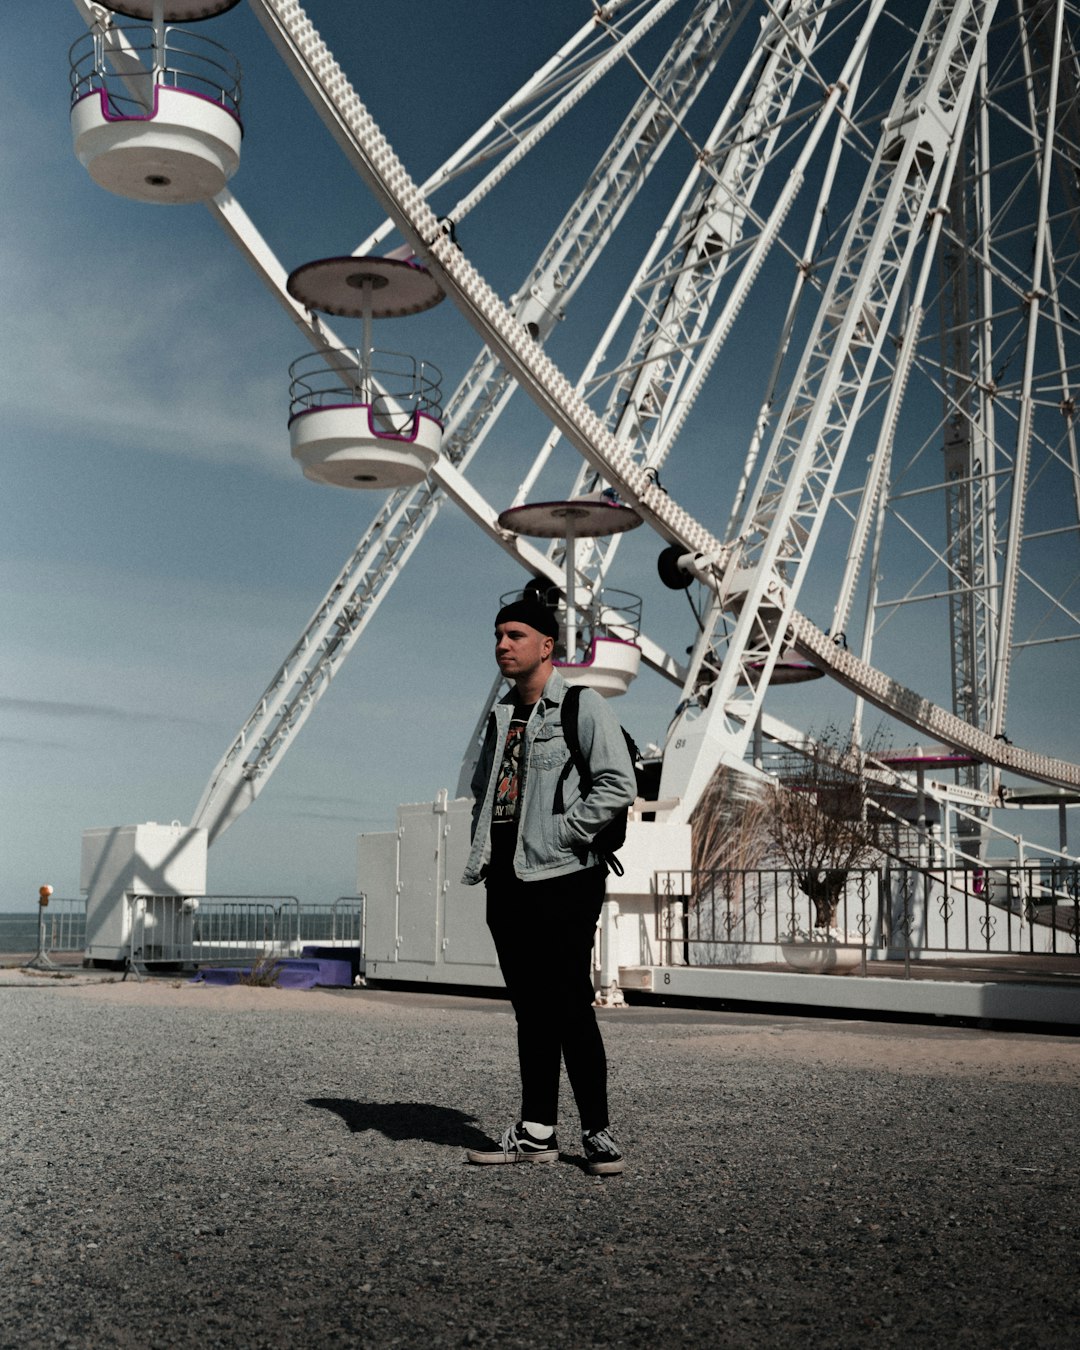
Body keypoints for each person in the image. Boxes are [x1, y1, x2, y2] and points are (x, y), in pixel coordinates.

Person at [462, 596, 637, 1175]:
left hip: (564, 877)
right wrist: (484, 854)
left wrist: (567, 834)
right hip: (507, 880)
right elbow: (486, 794)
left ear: (546, 645)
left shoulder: (582, 705)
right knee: (530, 1009)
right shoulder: (499, 717)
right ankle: (537, 1131)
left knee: (567, 1004)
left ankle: (598, 1131)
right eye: (497, 635)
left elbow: (617, 782)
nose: (501, 645)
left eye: (514, 634)